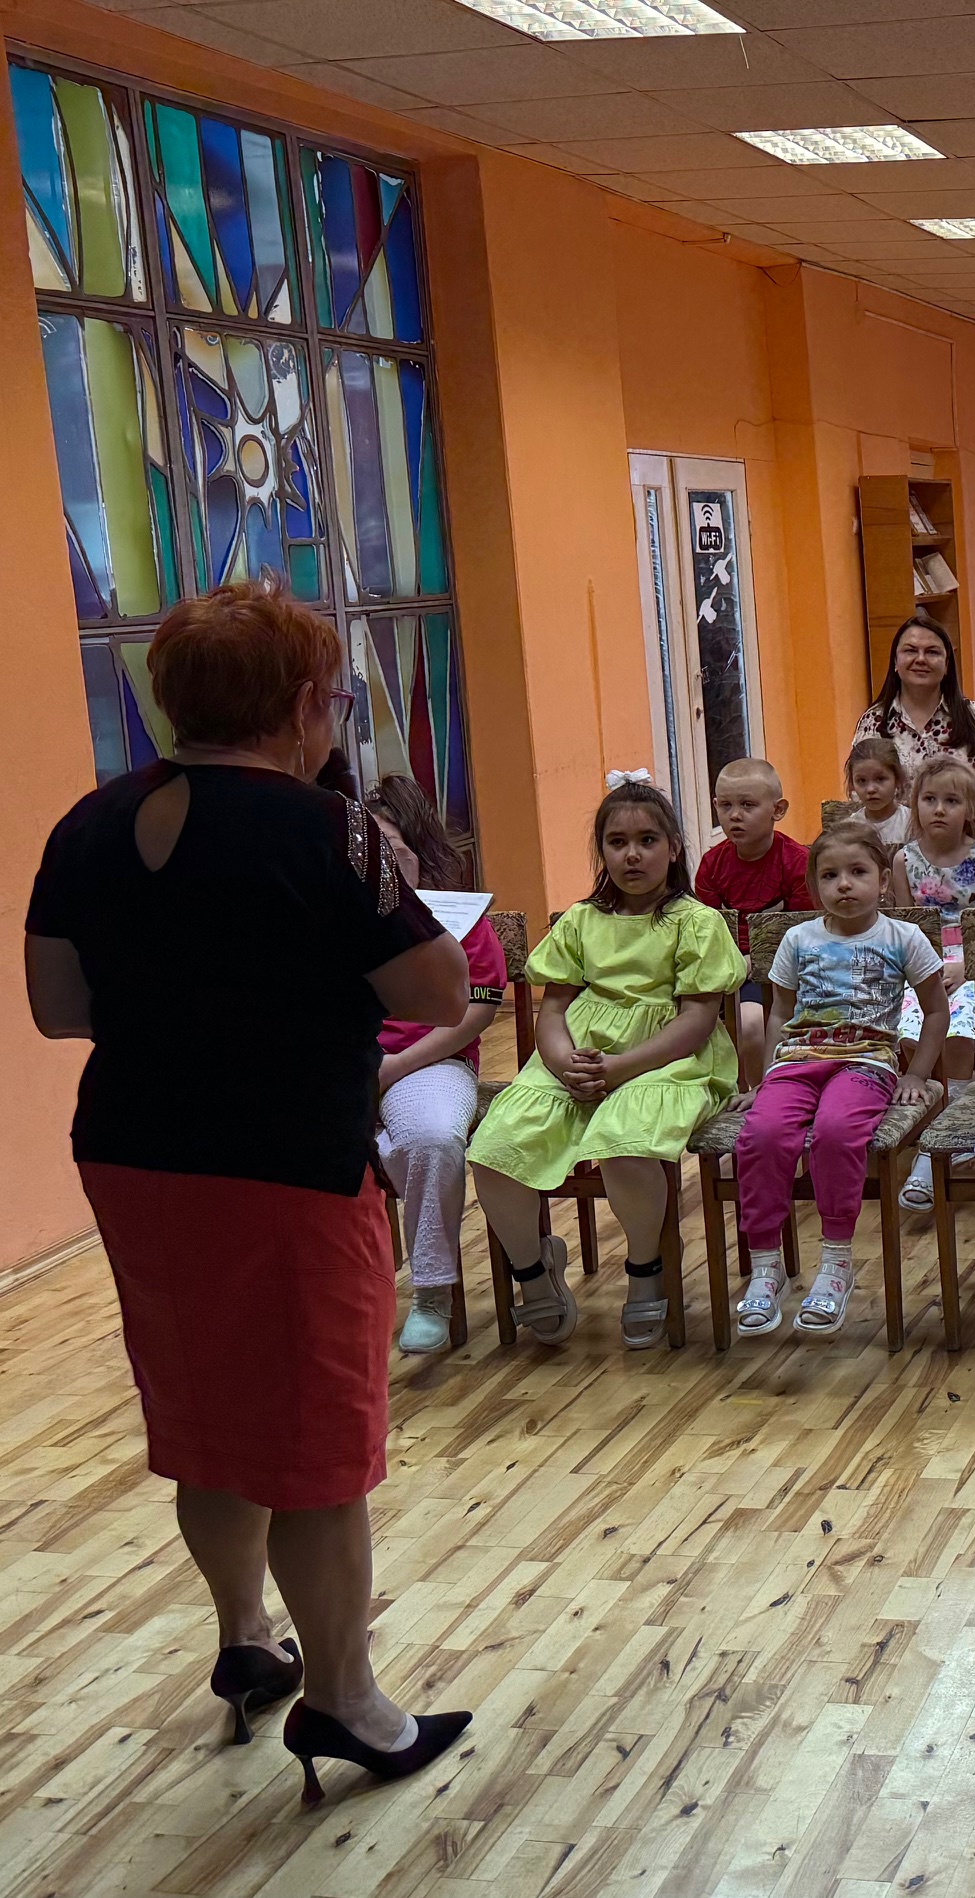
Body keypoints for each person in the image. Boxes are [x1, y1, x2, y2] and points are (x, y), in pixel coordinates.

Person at [23, 579, 472, 1795]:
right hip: (285, 1163)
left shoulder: (87, 824)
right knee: (318, 1444)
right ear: (301, 703)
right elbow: (439, 992)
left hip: (134, 1153)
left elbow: (59, 1007)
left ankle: (243, 1638)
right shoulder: (333, 831)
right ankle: (346, 1700)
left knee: (205, 1414)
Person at [468, 777, 744, 1351]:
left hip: (668, 1059)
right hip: (579, 1056)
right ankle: (532, 1269)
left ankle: (647, 1267)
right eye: (617, 842)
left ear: (674, 848)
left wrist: (621, 1068)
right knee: (495, 1148)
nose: (632, 855)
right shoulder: (579, 921)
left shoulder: (695, 922)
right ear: (602, 852)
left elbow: (696, 1021)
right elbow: (553, 1009)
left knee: (626, 1145)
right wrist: (563, 1062)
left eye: (647, 840)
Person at [730, 822, 949, 1342]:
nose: (844, 884)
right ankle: (766, 1266)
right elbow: (779, 1013)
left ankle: (836, 1263)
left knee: (835, 1131)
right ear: (814, 886)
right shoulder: (798, 938)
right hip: (797, 1061)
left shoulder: (903, 937)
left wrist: (917, 1072)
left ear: (883, 881)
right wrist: (765, 1079)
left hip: (867, 1062)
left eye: (858, 872)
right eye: (829, 876)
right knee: (761, 1135)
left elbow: (937, 1009)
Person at [365, 776, 507, 1356]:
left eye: (393, 851)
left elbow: (477, 1011)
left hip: (428, 1061)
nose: (380, 863)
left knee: (432, 1136)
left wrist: (393, 1067)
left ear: (420, 852)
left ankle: (431, 1290)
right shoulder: (331, 911)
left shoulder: (457, 916)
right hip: (345, 1060)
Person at [886, 756, 975, 1209]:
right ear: (914, 804)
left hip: (973, 965)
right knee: (909, 1033)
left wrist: (969, 965)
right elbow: (904, 926)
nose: (939, 809)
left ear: (970, 808)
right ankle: (928, 1123)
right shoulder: (904, 859)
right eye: (929, 799)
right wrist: (922, 968)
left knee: (959, 1035)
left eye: (952, 801)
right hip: (920, 964)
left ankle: (946, 1137)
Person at [695, 757, 813, 1086]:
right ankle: (740, 1090)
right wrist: (734, 963)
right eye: (726, 806)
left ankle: (764, 1090)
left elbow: (805, 932)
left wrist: (755, 961)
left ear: (778, 810)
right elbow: (705, 930)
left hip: (787, 972)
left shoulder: (798, 863)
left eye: (747, 805)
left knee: (754, 1024)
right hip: (728, 971)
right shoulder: (711, 865)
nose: (735, 815)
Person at [855, 614, 975, 800]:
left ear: (947, 664)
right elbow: (859, 794)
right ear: (895, 661)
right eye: (910, 651)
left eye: (932, 652)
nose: (921, 659)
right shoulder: (873, 722)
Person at [844, 736, 912, 848]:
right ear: (852, 784)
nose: (871, 789)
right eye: (861, 781)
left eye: (880, 779)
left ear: (897, 779)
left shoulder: (911, 823)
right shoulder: (850, 828)